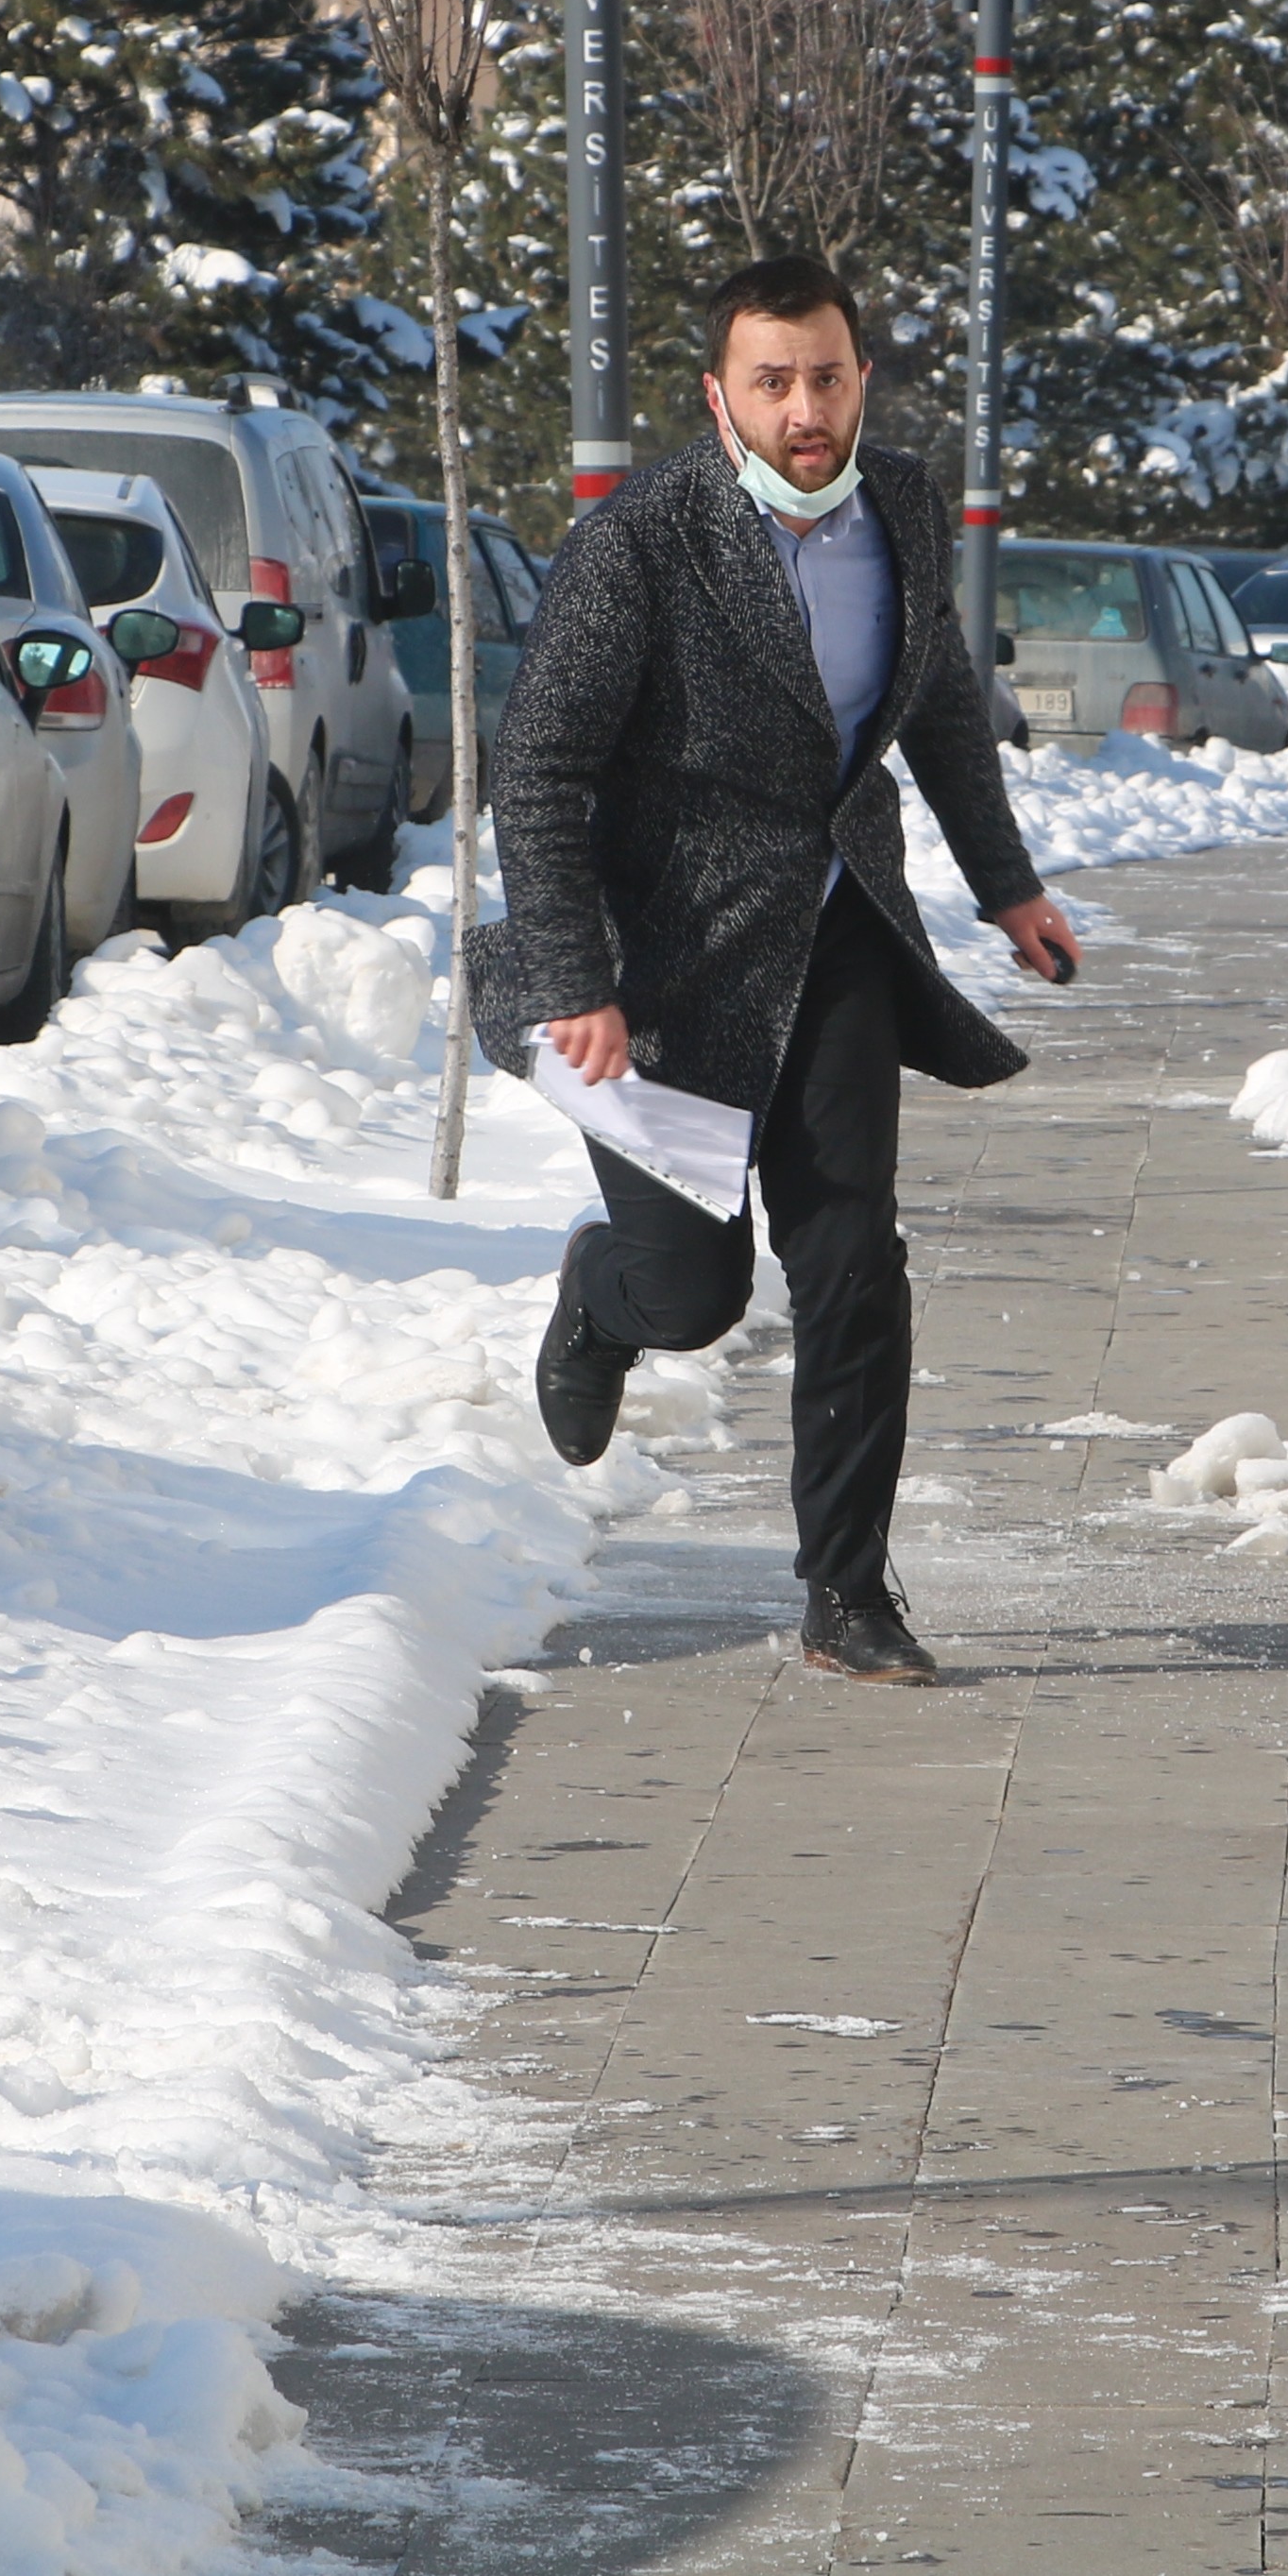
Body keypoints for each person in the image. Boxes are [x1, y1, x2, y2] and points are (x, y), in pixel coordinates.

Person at [469, 251, 1082, 1684]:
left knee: (854, 1255)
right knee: (698, 1292)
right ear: (720, 393)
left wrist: (1007, 885)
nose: (803, 408)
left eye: (825, 375)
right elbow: (539, 768)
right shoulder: (641, 545)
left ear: (861, 377)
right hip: (658, 967)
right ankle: (599, 1300)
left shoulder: (906, 508)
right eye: (772, 381)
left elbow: (933, 701)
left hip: (834, 933)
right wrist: (575, 976)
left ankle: (849, 1592)